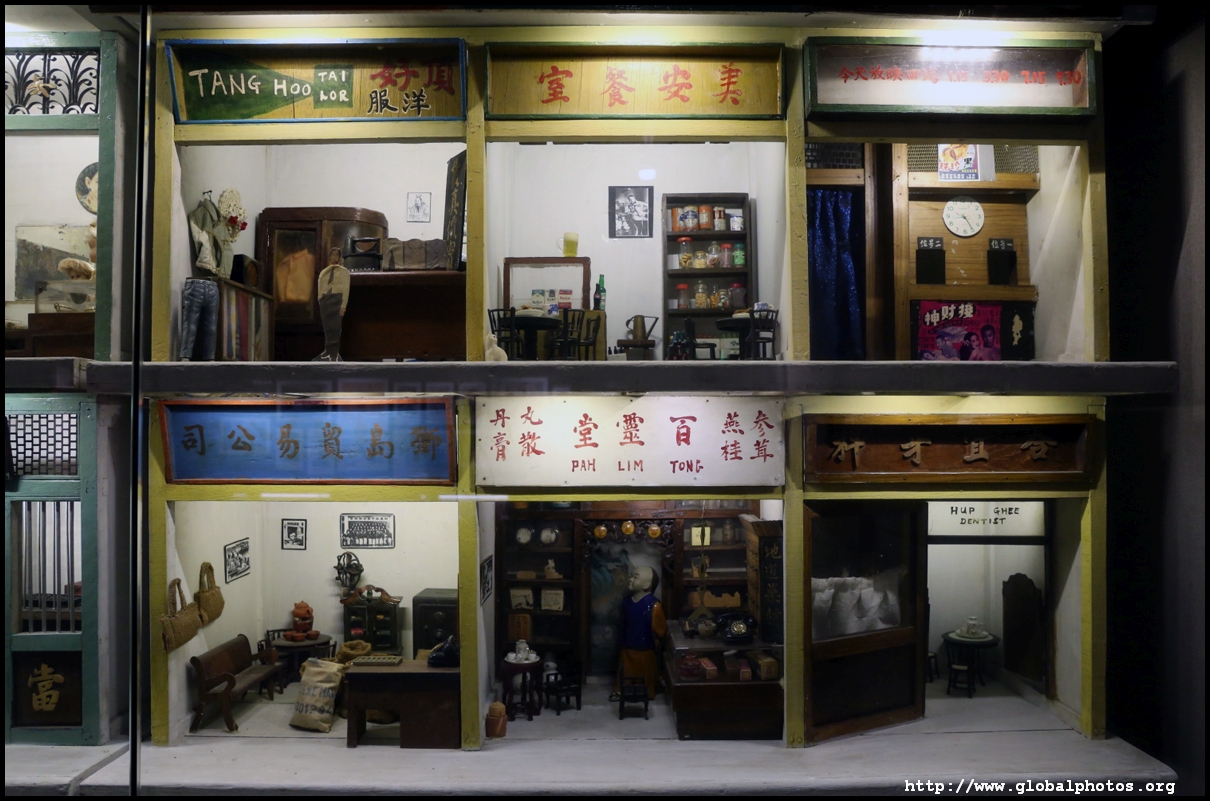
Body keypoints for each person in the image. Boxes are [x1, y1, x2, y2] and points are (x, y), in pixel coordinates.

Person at [610, 565, 666, 701]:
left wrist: (655, 642)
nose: (630, 579)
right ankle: (619, 691)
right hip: (627, 645)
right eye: (631, 576)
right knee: (624, 670)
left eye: (635, 577)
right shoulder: (626, 602)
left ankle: (648, 691)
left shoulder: (654, 605)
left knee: (646, 671)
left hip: (645, 648)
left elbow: (660, 629)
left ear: (647, 584)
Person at [314, 247, 351, 361]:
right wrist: (320, 298)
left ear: (339, 257)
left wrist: (343, 305)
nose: (334, 257)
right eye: (332, 255)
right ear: (329, 257)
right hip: (325, 300)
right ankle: (328, 350)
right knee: (327, 327)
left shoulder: (344, 272)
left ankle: (334, 352)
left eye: (336, 255)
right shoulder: (324, 272)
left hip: (337, 299)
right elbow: (320, 286)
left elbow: (346, 289)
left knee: (335, 327)